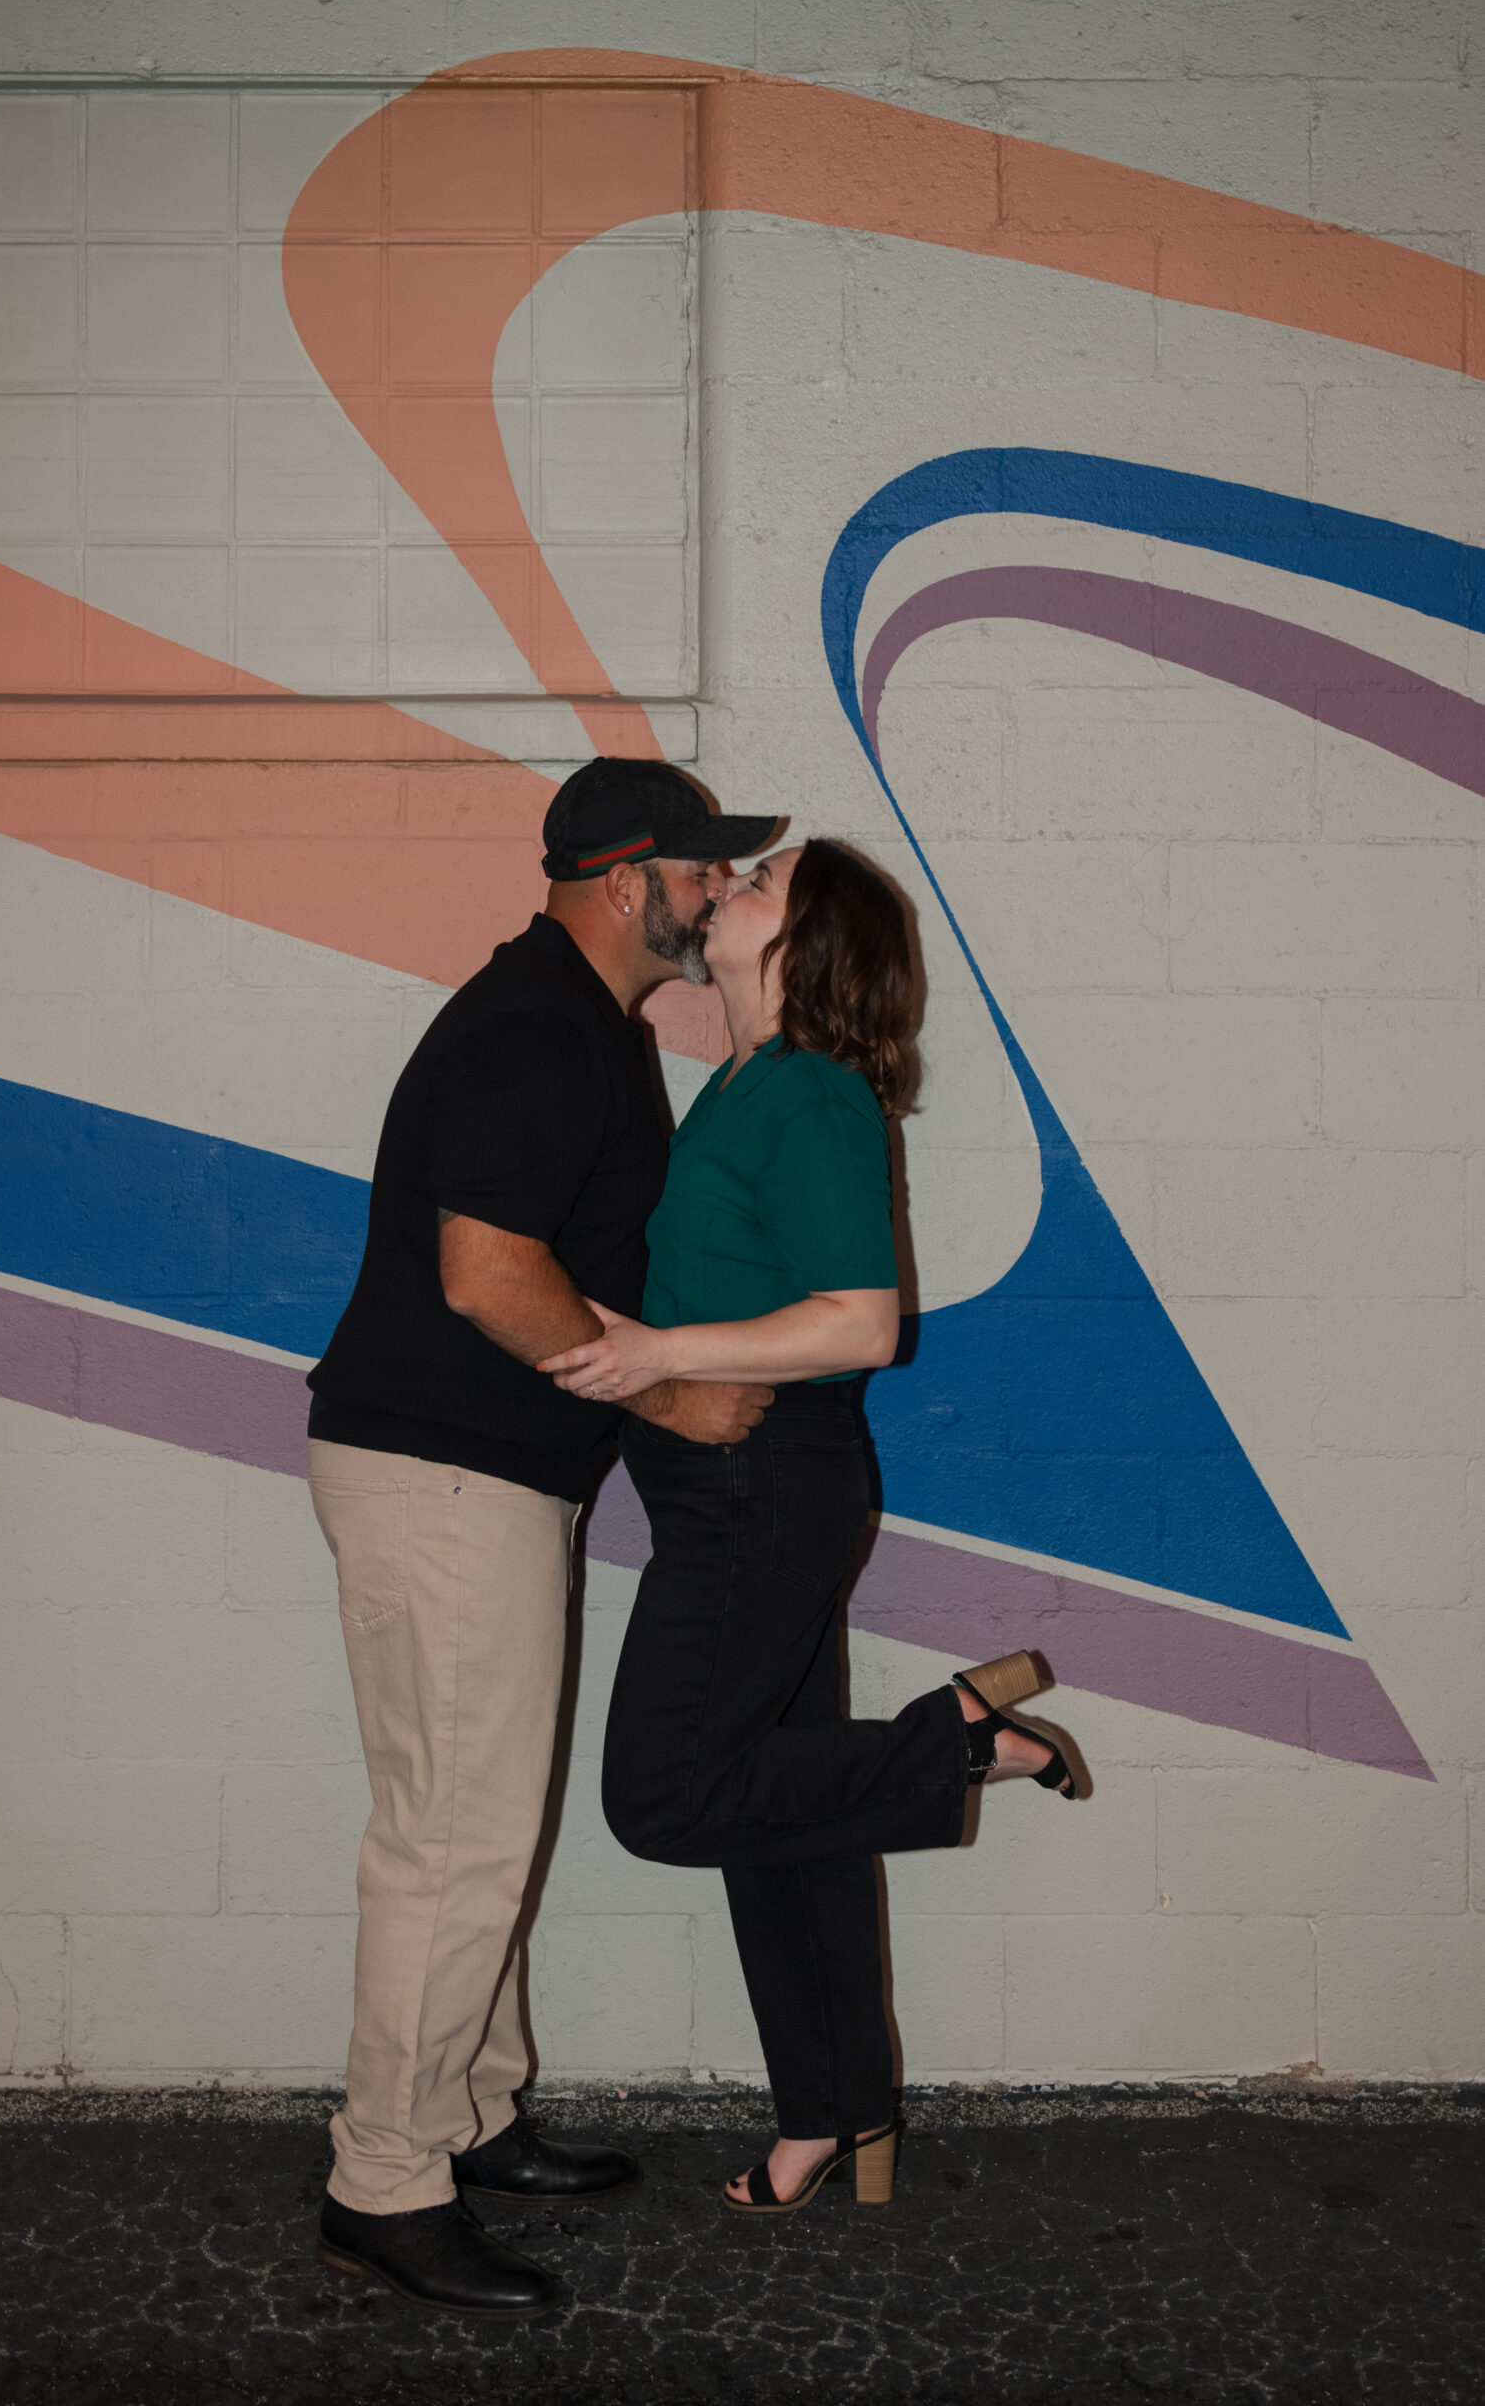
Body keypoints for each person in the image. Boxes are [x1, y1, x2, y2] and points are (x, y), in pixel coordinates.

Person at [304, 756, 779, 2318]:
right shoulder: (533, 1030)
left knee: (474, 1820)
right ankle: (385, 2181)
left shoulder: (576, 1022)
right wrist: (669, 1397)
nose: (717, 894)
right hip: (448, 1477)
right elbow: (484, 1274)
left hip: (479, 1478)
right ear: (625, 880)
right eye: (702, 871)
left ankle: (473, 2113)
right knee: (454, 1843)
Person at [542, 837, 1077, 2219]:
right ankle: (833, 2117)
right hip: (745, 1491)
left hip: (763, 1493)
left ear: (805, 945)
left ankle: (953, 1739)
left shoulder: (818, 1100)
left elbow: (860, 1322)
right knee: (788, 1822)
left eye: (762, 880)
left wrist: (659, 1353)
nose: (728, 883)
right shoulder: (739, 1079)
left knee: (663, 1797)